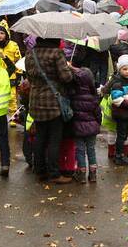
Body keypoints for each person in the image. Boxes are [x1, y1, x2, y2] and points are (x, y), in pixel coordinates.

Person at [25, 36, 76, 183]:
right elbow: (66, 78)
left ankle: (40, 171)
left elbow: (29, 76)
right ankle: (54, 173)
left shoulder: (31, 53)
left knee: (40, 137)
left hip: (35, 101)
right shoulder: (56, 53)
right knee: (54, 138)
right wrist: (70, 69)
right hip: (53, 102)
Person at [102, 55, 128, 166]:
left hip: (125, 114)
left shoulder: (127, 80)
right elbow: (116, 99)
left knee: (124, 133)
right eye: (124, 69)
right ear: (119, 69)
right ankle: (119, 156)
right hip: (121, 113)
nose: (127, 72)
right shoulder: (118, 82)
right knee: (121, 135)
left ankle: (120, 155)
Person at [70, 67, 102, 183]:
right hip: (92, 128)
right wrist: (98, 124)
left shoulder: (73, 96)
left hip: (78, 128)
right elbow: (98, 113)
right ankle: (93, 174)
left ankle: (81, 173)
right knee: (91, 149)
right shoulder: (93, 97)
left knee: (80, 150)